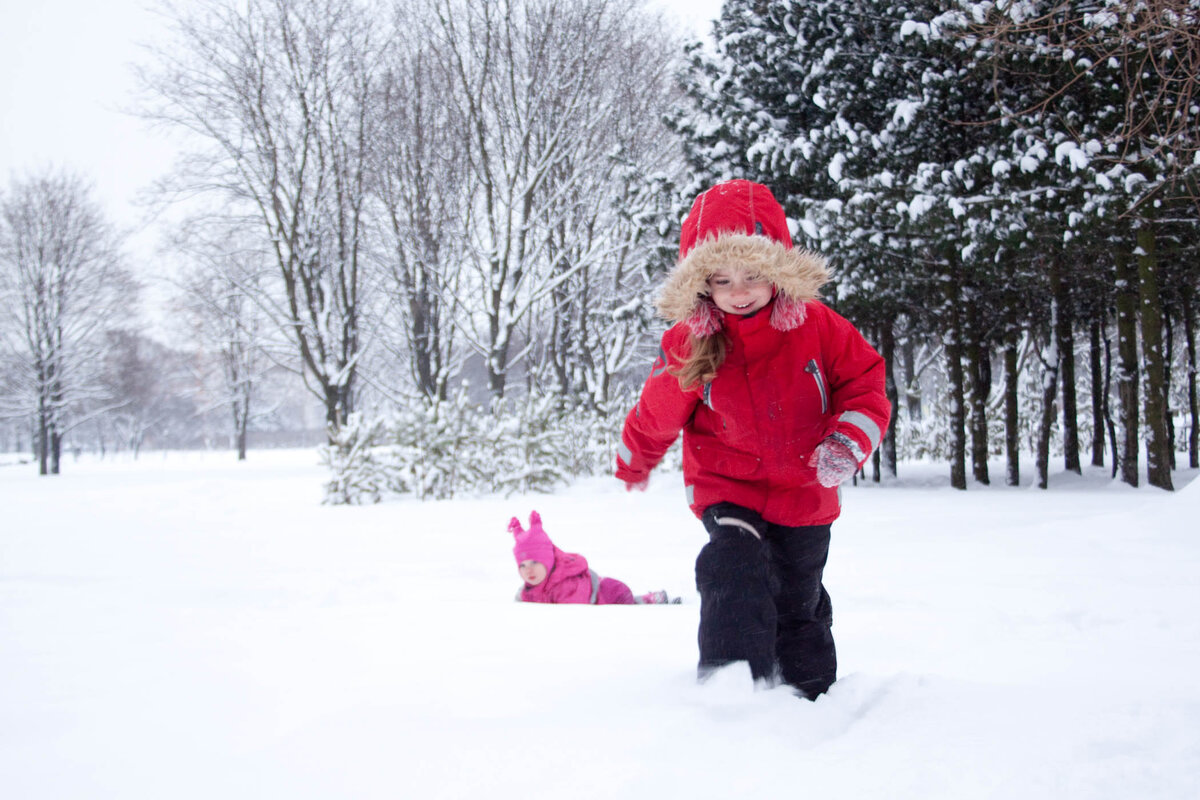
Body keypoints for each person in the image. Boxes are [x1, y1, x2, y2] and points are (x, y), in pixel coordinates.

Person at [615, 179, 890, 699]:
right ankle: (731, 681)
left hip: (804, 488)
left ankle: (810, 696)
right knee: (733, 563)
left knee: (796, 599)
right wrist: (635, 460)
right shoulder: (692, 342)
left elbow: (866, 384)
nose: (738, 292)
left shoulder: (819, 327)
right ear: (702, 286)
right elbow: (657, 413)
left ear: (778, 271)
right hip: (728, 484)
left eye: (753, 275)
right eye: (721, 280)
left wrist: (847, 441)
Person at [511, 511, 673, 605]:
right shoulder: (531, 587)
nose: (528, 570)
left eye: (534, 562)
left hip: (610, 594)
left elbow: (573, 619)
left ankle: (650, 600)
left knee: (631, 607)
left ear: (547, 561)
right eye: (522, 566)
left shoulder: (566, 586)